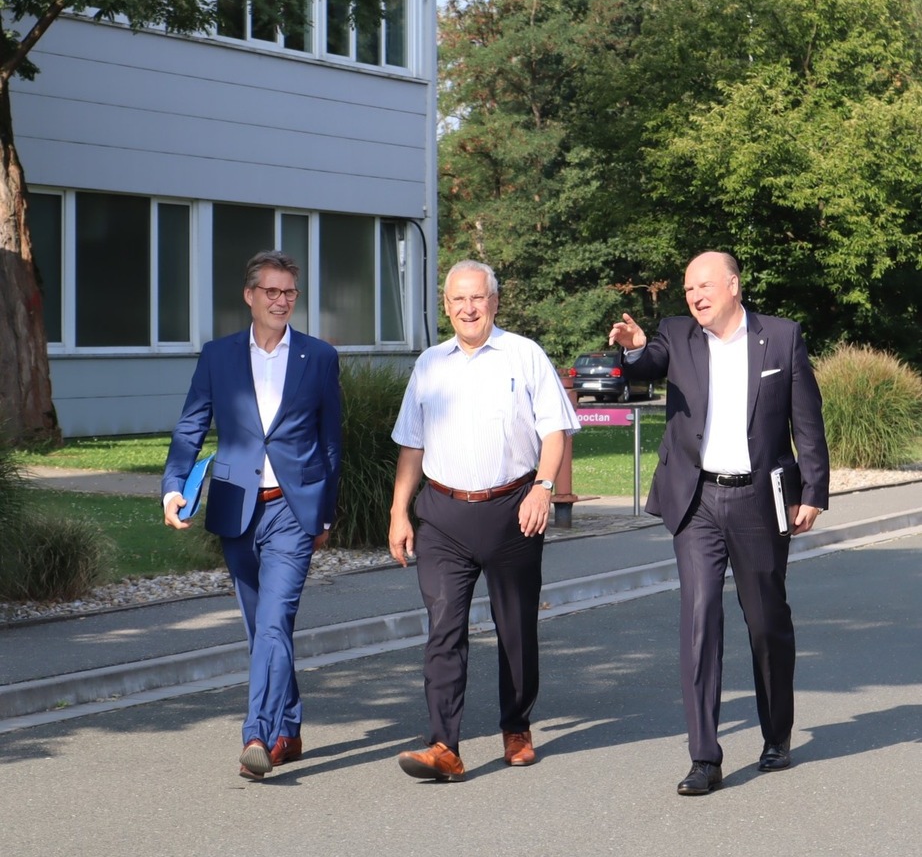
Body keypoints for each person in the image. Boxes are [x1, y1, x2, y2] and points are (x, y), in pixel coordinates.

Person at [609, 251, 829, 795]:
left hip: (759, 498)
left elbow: (807, 418)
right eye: (688, 290)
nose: (695, 297)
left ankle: (777, 734)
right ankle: (704, 757)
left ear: (733, 285)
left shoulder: (780, 338)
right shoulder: (676, 335)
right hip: (697, 499)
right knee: (699, 617)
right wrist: (633, 349)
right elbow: (644, 363)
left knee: (766, 621)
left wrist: (814, 491)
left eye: (704, 286)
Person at [388, 260, 580, 781]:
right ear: (445, 306)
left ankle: (516, 726)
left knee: (515, 628)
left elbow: (556, 431)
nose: (468, 308)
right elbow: (412, 442)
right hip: (443, 515)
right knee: (443, 629)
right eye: (458, 300)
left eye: (478, 298)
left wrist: (543, 488)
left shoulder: (525, 354)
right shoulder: (429, 364)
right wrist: (399, 510)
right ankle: (443, 745)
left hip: (512, 510)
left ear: (494, 302)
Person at [162, 250, 341, 780]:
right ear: (250, 296)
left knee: (274, 622)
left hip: (293, 509)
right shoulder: (218, 356)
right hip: (236, 507)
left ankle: (257, 734)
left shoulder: (319, 356)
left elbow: (331, 443)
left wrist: (325, 513)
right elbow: (191, 425)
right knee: (260, 627)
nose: (281, 301)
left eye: (289, 293)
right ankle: (290, 726)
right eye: (272, 291)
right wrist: (175, 485)